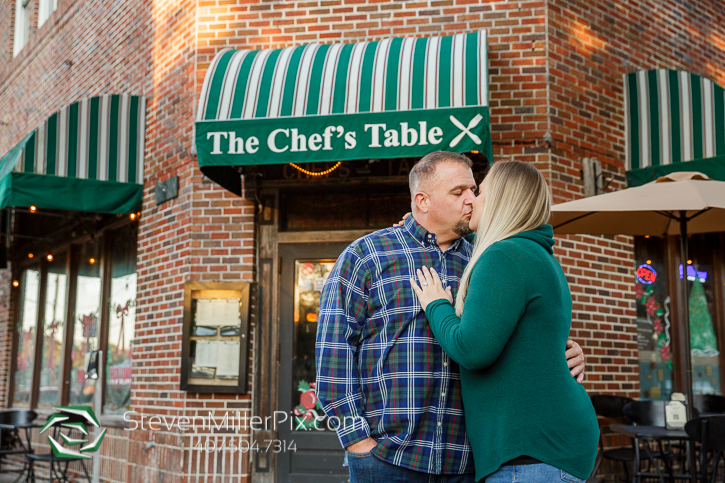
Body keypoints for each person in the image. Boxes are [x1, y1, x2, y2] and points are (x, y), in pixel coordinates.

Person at [315, 151, 587, 483]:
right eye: (458, 193)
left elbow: (518, 334)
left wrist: (563, 351)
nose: (471, 200)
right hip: (388, 458)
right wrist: (357, 440)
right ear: (422, 201)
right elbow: (334, 352)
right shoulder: (367, 256)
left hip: (468, 462)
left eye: (474, 190)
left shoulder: (486, 258)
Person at [410, 160, 599, 483]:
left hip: (529, 453)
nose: (472, 200)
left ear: (501, 201)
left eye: (479, 192)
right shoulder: (536, 255)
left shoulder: (504, 256)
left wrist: (436, 304)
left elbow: (472, 350)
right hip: (544, 448)